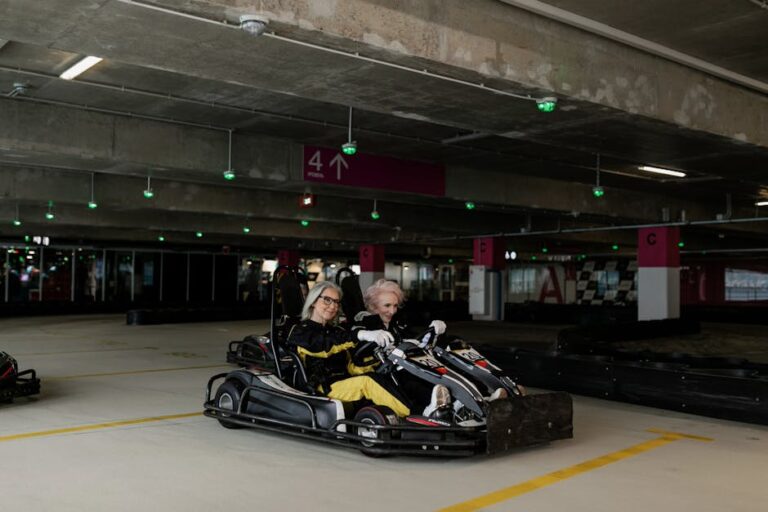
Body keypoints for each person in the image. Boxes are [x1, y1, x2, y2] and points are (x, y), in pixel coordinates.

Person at [286, 281, 411, 417]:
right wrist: (360, 335)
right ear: (314, 301)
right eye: (327, 300)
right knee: (367, 382)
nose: (332, 306)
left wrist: (381, 361)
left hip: (343, 381)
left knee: (381, 375)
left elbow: (352, 365)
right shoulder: (301, 331)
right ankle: (411, 416)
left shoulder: (336, 330)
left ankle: (426, 409)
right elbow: (324, 346)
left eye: (336, 302)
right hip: (322, 387)